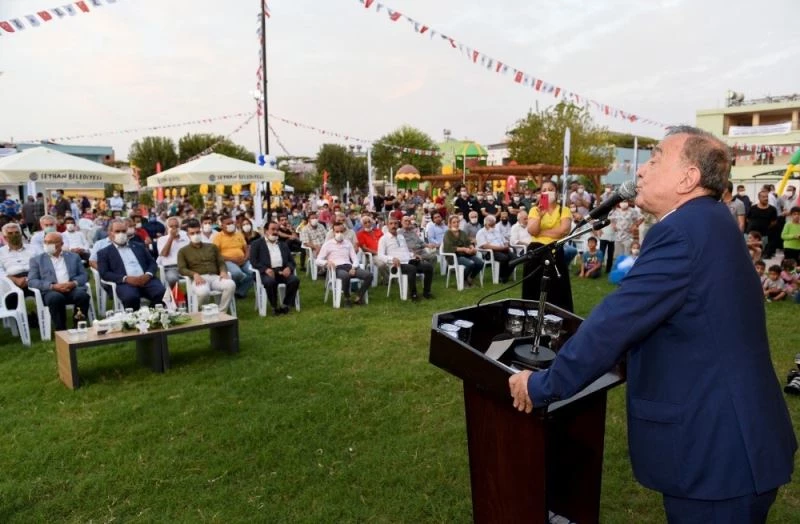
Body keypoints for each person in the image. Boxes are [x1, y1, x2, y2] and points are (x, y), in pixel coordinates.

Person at [509, 126, 796, 522]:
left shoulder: (680, 232)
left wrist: (542, 385)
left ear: (688, 178)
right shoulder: (711, 221)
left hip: (717, 455)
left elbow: (614, 323)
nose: (641, 170)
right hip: (738, 440)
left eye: (656, 160)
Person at [523, 180, 573, 311]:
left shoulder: (564, 210)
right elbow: (532, 231)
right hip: (536, 251)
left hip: (555, 250)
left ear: (556, 193)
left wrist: (542, 232)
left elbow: (563, 231)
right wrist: (540, 216)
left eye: (551, 189)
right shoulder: (535, 210)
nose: (547, 192)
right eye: (544, 190)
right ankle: (532, 313)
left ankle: (556, 313)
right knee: (533, 285)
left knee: (557, 286)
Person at [97, 219, 166, 311]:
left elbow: (152, 263)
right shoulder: (104, 253)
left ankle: (152, 314)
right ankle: (135, 317)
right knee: (130, 297)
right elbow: (104, 273)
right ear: (110, 233)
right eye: (117, 231)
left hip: (146, 279)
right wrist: (126, 278)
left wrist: (148, 275)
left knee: (162, 292)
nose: (121, 234)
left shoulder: (139, 246)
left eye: (123, 231)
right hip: (125, 283)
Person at [28, 232, 90, 331]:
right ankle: (61, 330)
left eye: (51, 242)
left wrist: (73, 283)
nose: (47, 245)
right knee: (55, 298)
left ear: (61, 244)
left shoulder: (74, 257)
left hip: (71, 288)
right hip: (51, 291)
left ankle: (79, 326)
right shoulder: (37, 260)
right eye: (45, 242)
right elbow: (32, 281)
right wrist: (52, 286)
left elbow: (84, 275)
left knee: (83, 296)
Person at [177, 219, 236, 314]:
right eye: (192, 233)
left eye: (197, 232)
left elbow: (221, 262)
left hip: (215, 277)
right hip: (199, 279)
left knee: (230, 284)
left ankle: (221, 312)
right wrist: (194, 274)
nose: (195, 235)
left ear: (200, 232)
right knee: (203, 292)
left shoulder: (212, 247)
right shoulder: (183, 251)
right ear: (188, 235)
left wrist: (223, 271)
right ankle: (202, 312)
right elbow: (181, 269)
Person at [249, 221, 300, 315]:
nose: (275, 232)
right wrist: (265, 269)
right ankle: (274, 306)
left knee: (294, 280)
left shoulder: (283, 244)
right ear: (266, 230)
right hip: (265, 272)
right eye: (273, 229)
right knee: (270, 282)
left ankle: (286, 305)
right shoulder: (257, 244)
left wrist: (288, 268)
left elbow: (291, 261)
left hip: (281, 271)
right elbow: (253, 261)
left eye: (277, 230)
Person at [315, 222, 372, 307]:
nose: (339, 234)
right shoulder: (327, 244)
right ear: (333, 232)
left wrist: (353, 267)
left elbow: (354, 258)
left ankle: (359, 296)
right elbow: (318, 260)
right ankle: (347, 298)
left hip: (349, 266)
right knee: (345, 276)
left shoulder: (348, 243)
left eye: (341, 231)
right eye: (337, 231)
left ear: (344, 231)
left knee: (369, 275)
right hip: (337, 268)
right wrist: (327, 262)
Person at [376, 217, 434, 300]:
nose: (393, 226)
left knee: (428, 267)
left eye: (395, 223)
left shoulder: (401, 237)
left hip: (408, 261)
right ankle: (413, 295)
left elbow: (405, 251)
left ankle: (427, 292)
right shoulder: (383, 239)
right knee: (412, 268)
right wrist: (392, 259)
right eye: (391, 224)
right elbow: (380, 255)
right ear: (387, 226)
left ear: (398, 225)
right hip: (396, 265)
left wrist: (413, 255)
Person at [213, 215, 254, 300]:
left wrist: (245, 258)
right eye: (228, 224)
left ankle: (239, 292)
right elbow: (216, 254)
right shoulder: (218, 237)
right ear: (222, 226)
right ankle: (237, 288)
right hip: (228, 261)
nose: (231, 225)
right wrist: (232, 259)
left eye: (232, 223)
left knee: (254, 273)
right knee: (236, 273)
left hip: (243, 260)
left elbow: (246, 249)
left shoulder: (239, 234)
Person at [442, 215, 483, 287]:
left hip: (465, 254)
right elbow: (449, 248)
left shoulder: (462, 233)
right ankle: (463, 280)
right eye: (454, 222)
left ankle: (470, 278)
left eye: (458, 222)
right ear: (450, 224)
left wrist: (472, 248)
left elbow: (468, 243)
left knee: (480, 263)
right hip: (454, 257)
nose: (456, 224)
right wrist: (464, 249)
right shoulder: (447, 234)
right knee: (470, 264)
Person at [475, 215, 516, 283]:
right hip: (491, 252)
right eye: (491, 225)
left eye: (494, 224)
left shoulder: (497, 231)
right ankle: (501, 276)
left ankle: (504, 275)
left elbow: (505, 241)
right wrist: (501, 248)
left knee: (515, 258)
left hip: (503, 249)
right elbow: (484, 246)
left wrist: (506, 246)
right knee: (504, 258)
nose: (493, 226)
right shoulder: (481, 232)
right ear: (485, 224)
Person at [156, 217, 190, 287]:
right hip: (170, 268)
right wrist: (171, 237)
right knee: (172, 278)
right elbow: (164, 254)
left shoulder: (186, 239)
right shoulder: (162, 239)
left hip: (185, 267)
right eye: (171, 226)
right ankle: (177, 294)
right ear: (167, 228)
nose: (174, 228)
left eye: (176, 226)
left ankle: (192, 293)